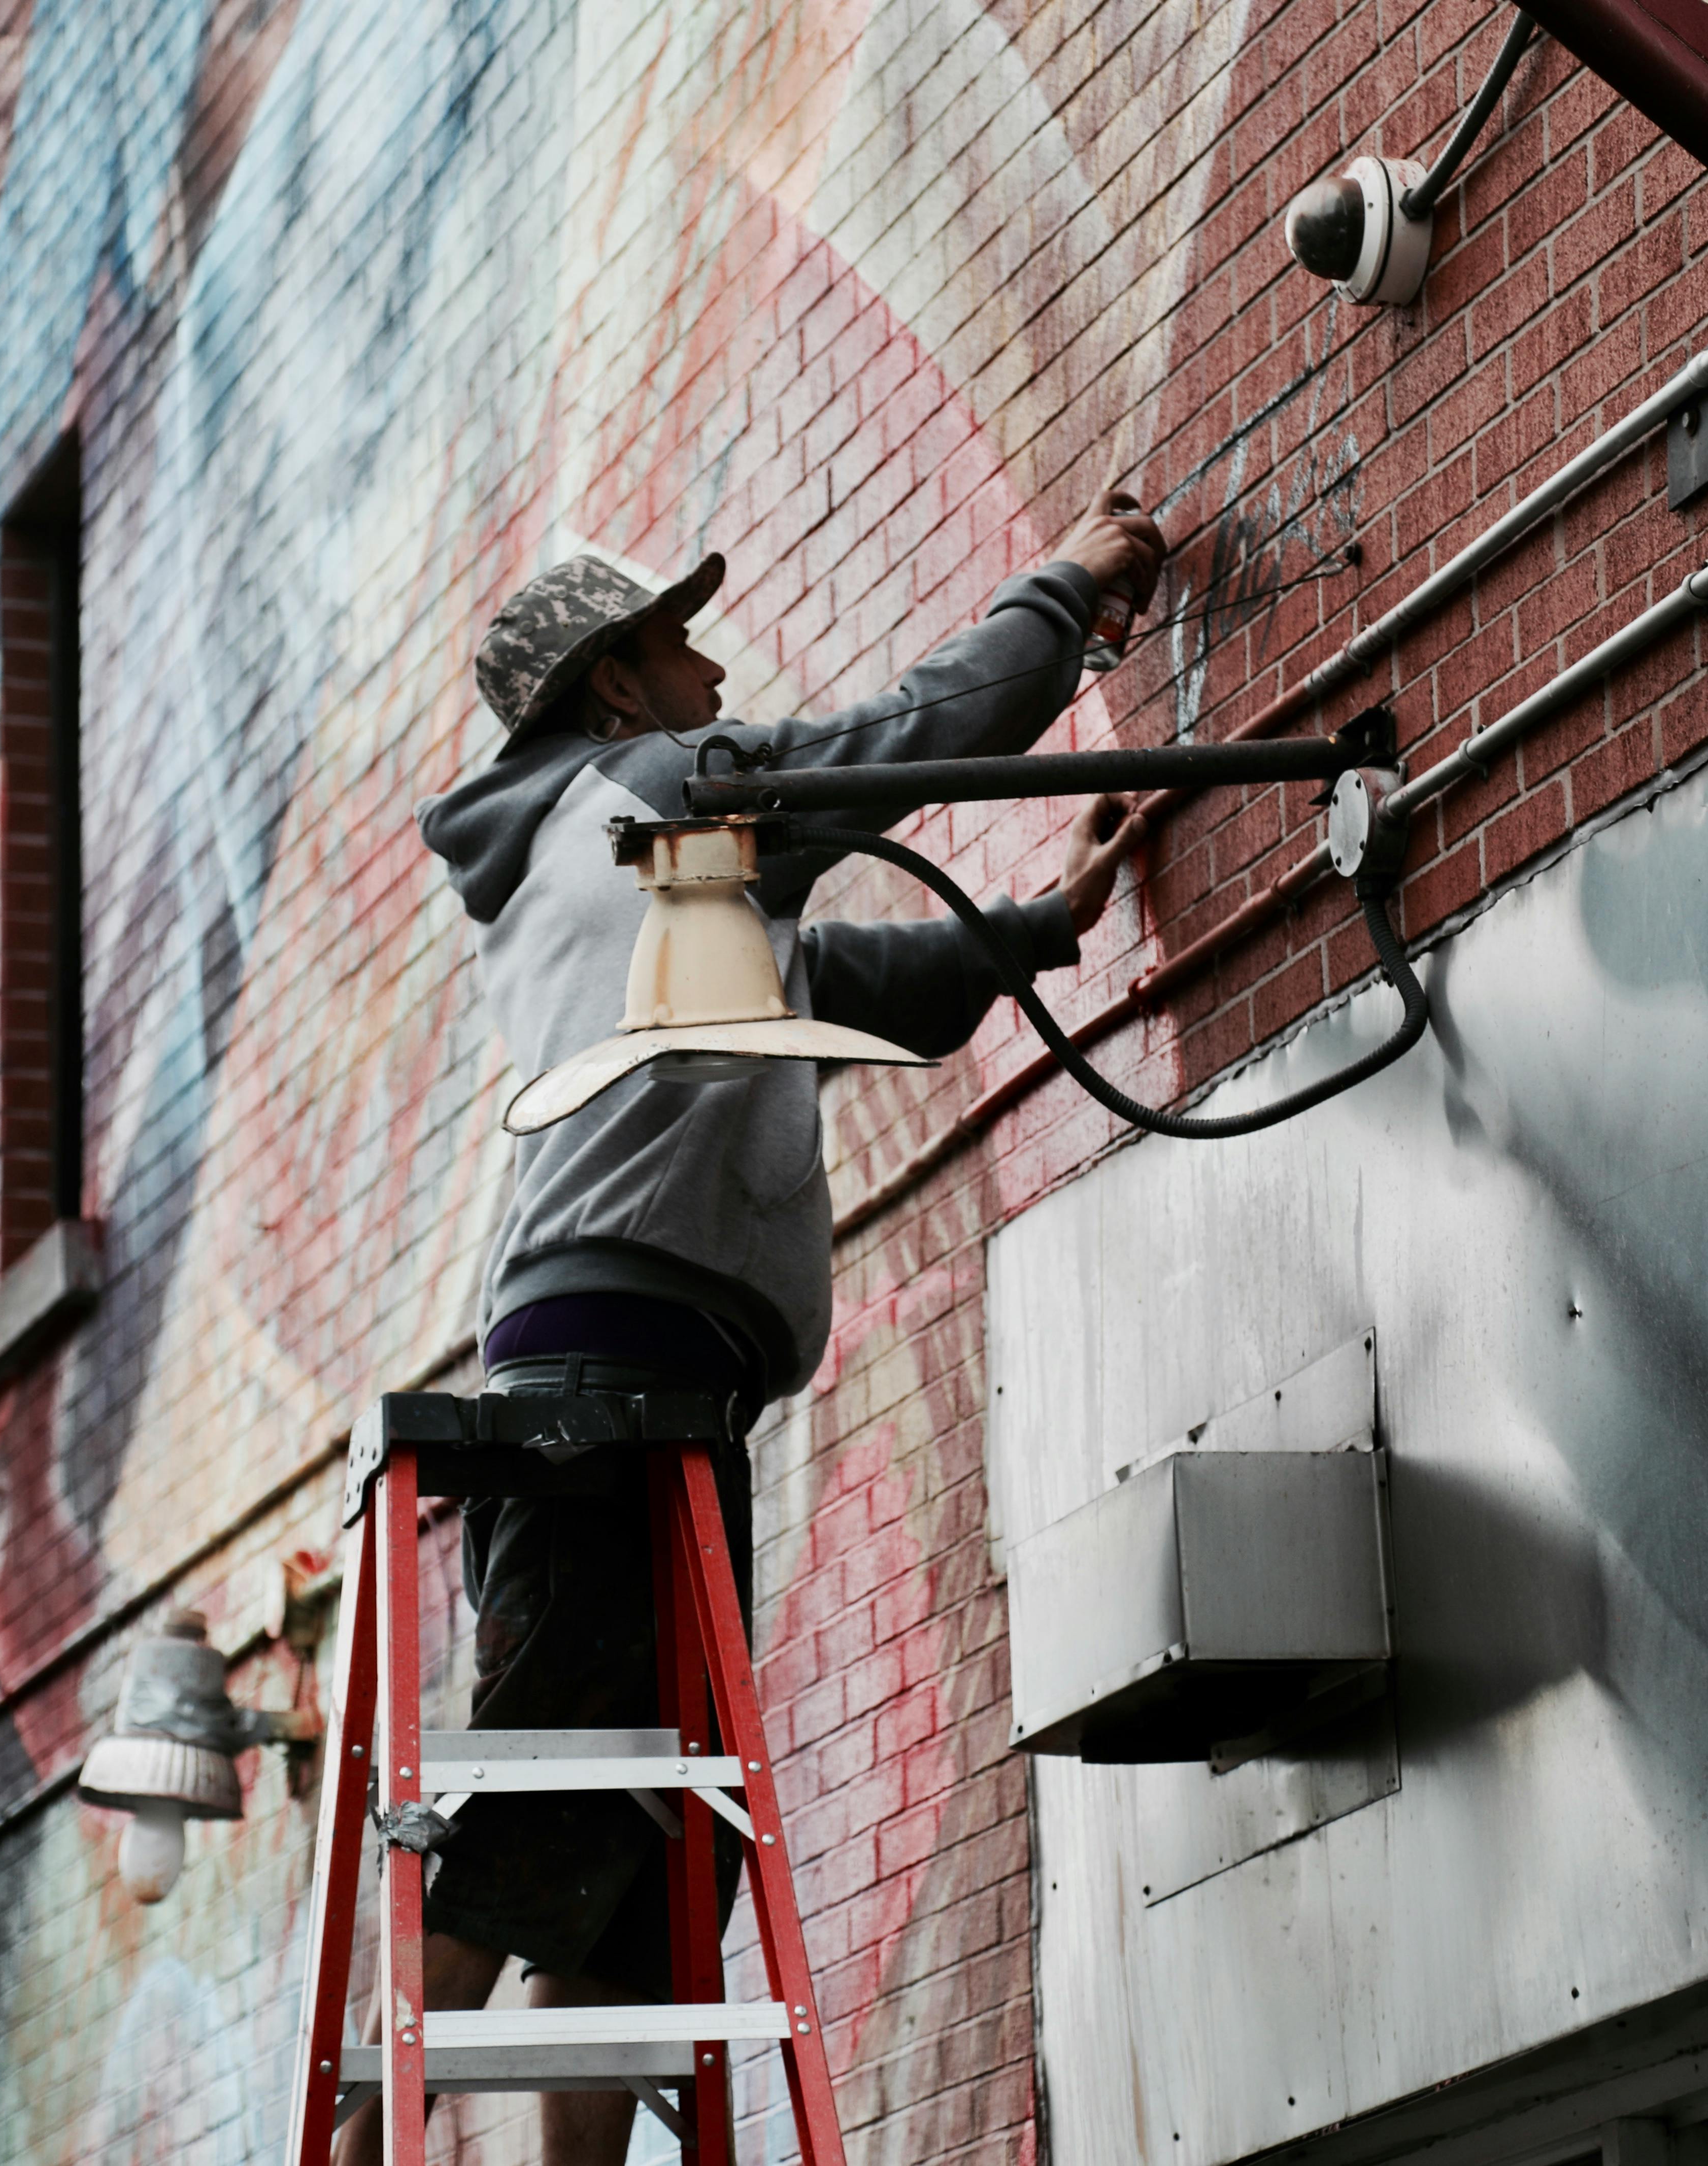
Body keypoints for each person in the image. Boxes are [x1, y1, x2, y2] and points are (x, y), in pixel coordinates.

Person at [373, 489, 1169, 2166]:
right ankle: (359, 2143)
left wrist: (1040, 931)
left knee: (633, 1893)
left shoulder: (653, 878)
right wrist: (1071, 590)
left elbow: (844, 987)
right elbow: (896, 744)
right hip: (610, 1392)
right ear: (612, 689)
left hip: (649, 1397)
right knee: (532, 1822)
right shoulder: (648, 796)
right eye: (678, 645)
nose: (714, 666)